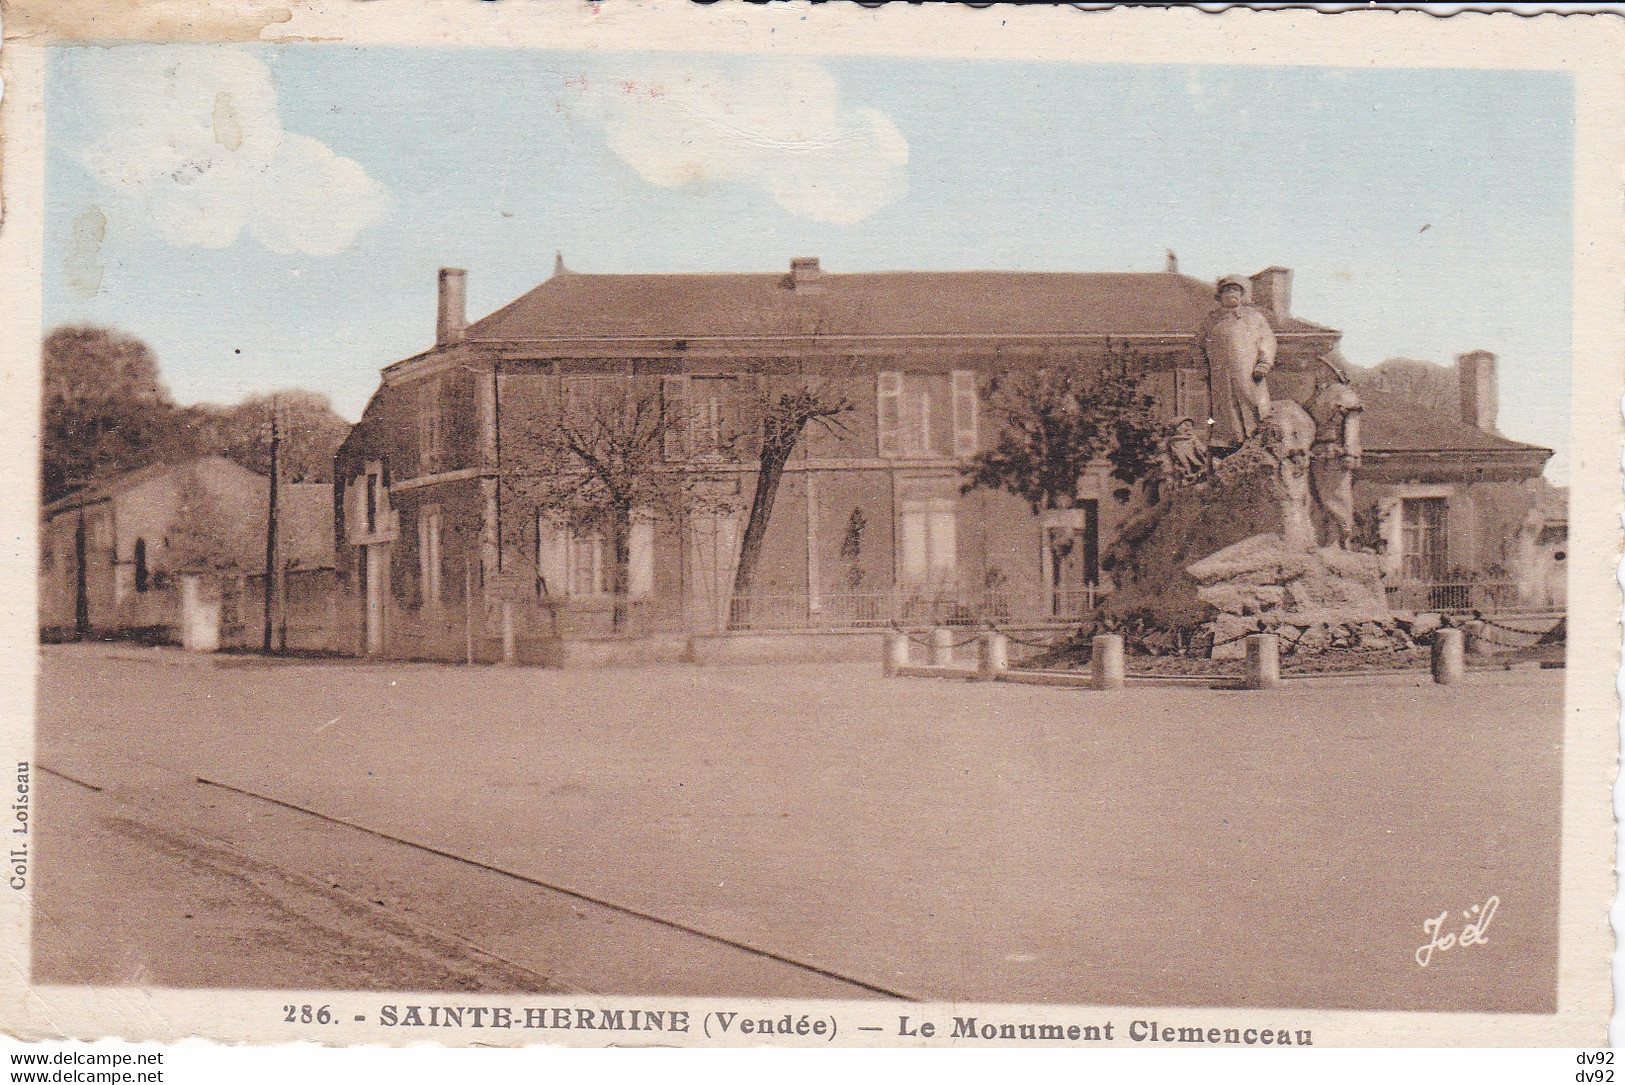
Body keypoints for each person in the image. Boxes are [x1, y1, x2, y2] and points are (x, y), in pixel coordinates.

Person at [1199, 275, 1276, 453]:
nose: (1232, 294)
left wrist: (1263, 364)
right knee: (1225, 410)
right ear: (1220, 296)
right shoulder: (1211, 321)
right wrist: (1203, 369)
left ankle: (1256, 438)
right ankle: (1229, 443)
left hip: (1248, 373)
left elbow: (1268, 341)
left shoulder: (1255, 318)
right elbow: (1198, 347)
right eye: (1227, 291)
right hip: (1220, 376)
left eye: (1236, 290)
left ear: (1241, 295)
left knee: (1252, 404)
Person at [1306, 353, 1363, 548]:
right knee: (1320, 499)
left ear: (1332, 371)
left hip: (1335, 453)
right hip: (1317, 453)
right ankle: (1327, 541)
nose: (1318, 371)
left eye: (1322, 367)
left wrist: (1350, 451)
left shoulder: (1343, 394)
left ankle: (1342, 539)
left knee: (1337, 497)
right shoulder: (1319, 394)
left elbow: (1352, 423)